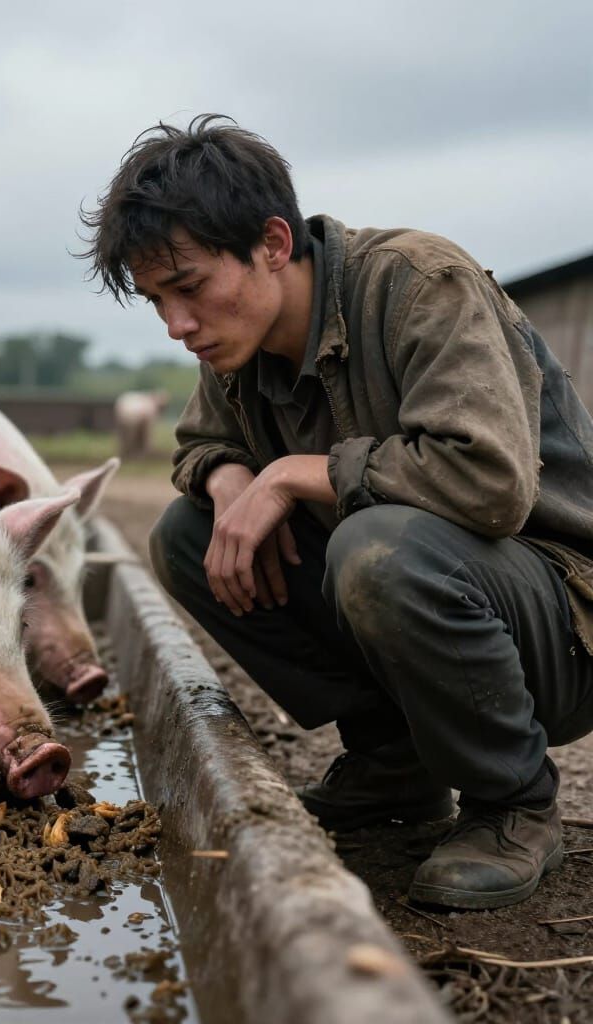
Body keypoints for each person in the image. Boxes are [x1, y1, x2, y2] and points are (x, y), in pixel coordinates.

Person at [79, 114, 593, 910]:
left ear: (273, 243)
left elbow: (490, 482)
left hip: (561, 623)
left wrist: (291, 474)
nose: (177, 326)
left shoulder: (422, 285)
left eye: (190, 287)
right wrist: (230, 481)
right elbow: (199, 446)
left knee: (377, 549)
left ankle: (514, 807)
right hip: (445, 597)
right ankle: (395, 763)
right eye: (156, 301)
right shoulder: (238, 341)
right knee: (187, 535)